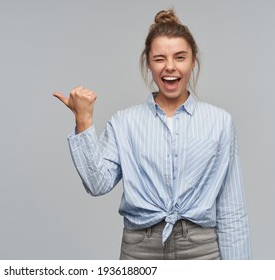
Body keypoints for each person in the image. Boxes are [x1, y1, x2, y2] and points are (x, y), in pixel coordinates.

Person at [53, 8, 251, 260]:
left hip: (201, 250)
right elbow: (97, 184)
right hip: (140, 249)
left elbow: (232, 209)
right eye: (159, 58)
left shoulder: (220, 122)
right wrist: (83, 119)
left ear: (193, 61)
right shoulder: (124, 122)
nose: (170, 67)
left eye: (180, 57)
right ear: (148, 62)